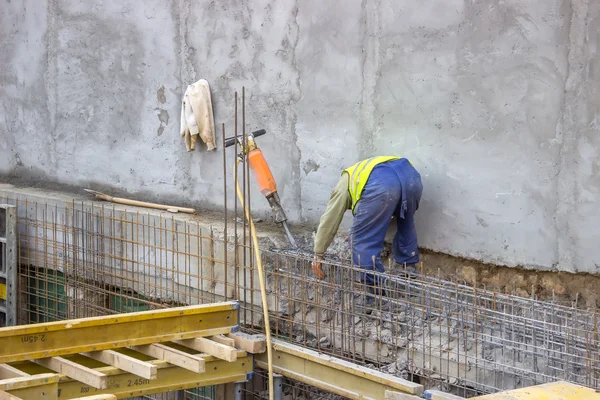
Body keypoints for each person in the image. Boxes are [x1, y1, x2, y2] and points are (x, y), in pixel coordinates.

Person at [311, 156, 423, 302]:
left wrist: (318, 253)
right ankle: (408, 273)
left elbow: (330, 219)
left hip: (383, 185)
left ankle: (375, 296)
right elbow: (384, 210)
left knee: (362, 243)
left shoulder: (343, 185)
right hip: (411, 178)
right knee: (406, 223)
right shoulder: (364, 172)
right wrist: (359, 228)